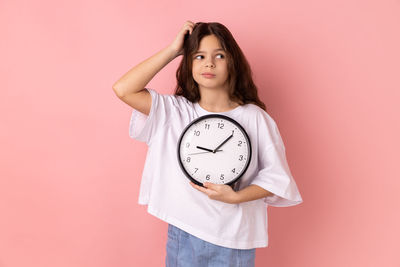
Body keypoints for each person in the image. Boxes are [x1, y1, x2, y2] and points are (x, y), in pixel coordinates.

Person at [112, 20, 303, 267]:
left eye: (219, 55)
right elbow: (123, 89)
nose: (209, 63)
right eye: (199, 56)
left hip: (233, 238)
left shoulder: (255, 118)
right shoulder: (175, 111)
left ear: (232, 62)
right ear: (189, 62)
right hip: (184, 231)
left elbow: (277, 179)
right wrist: (173, 50)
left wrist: (235, 197)